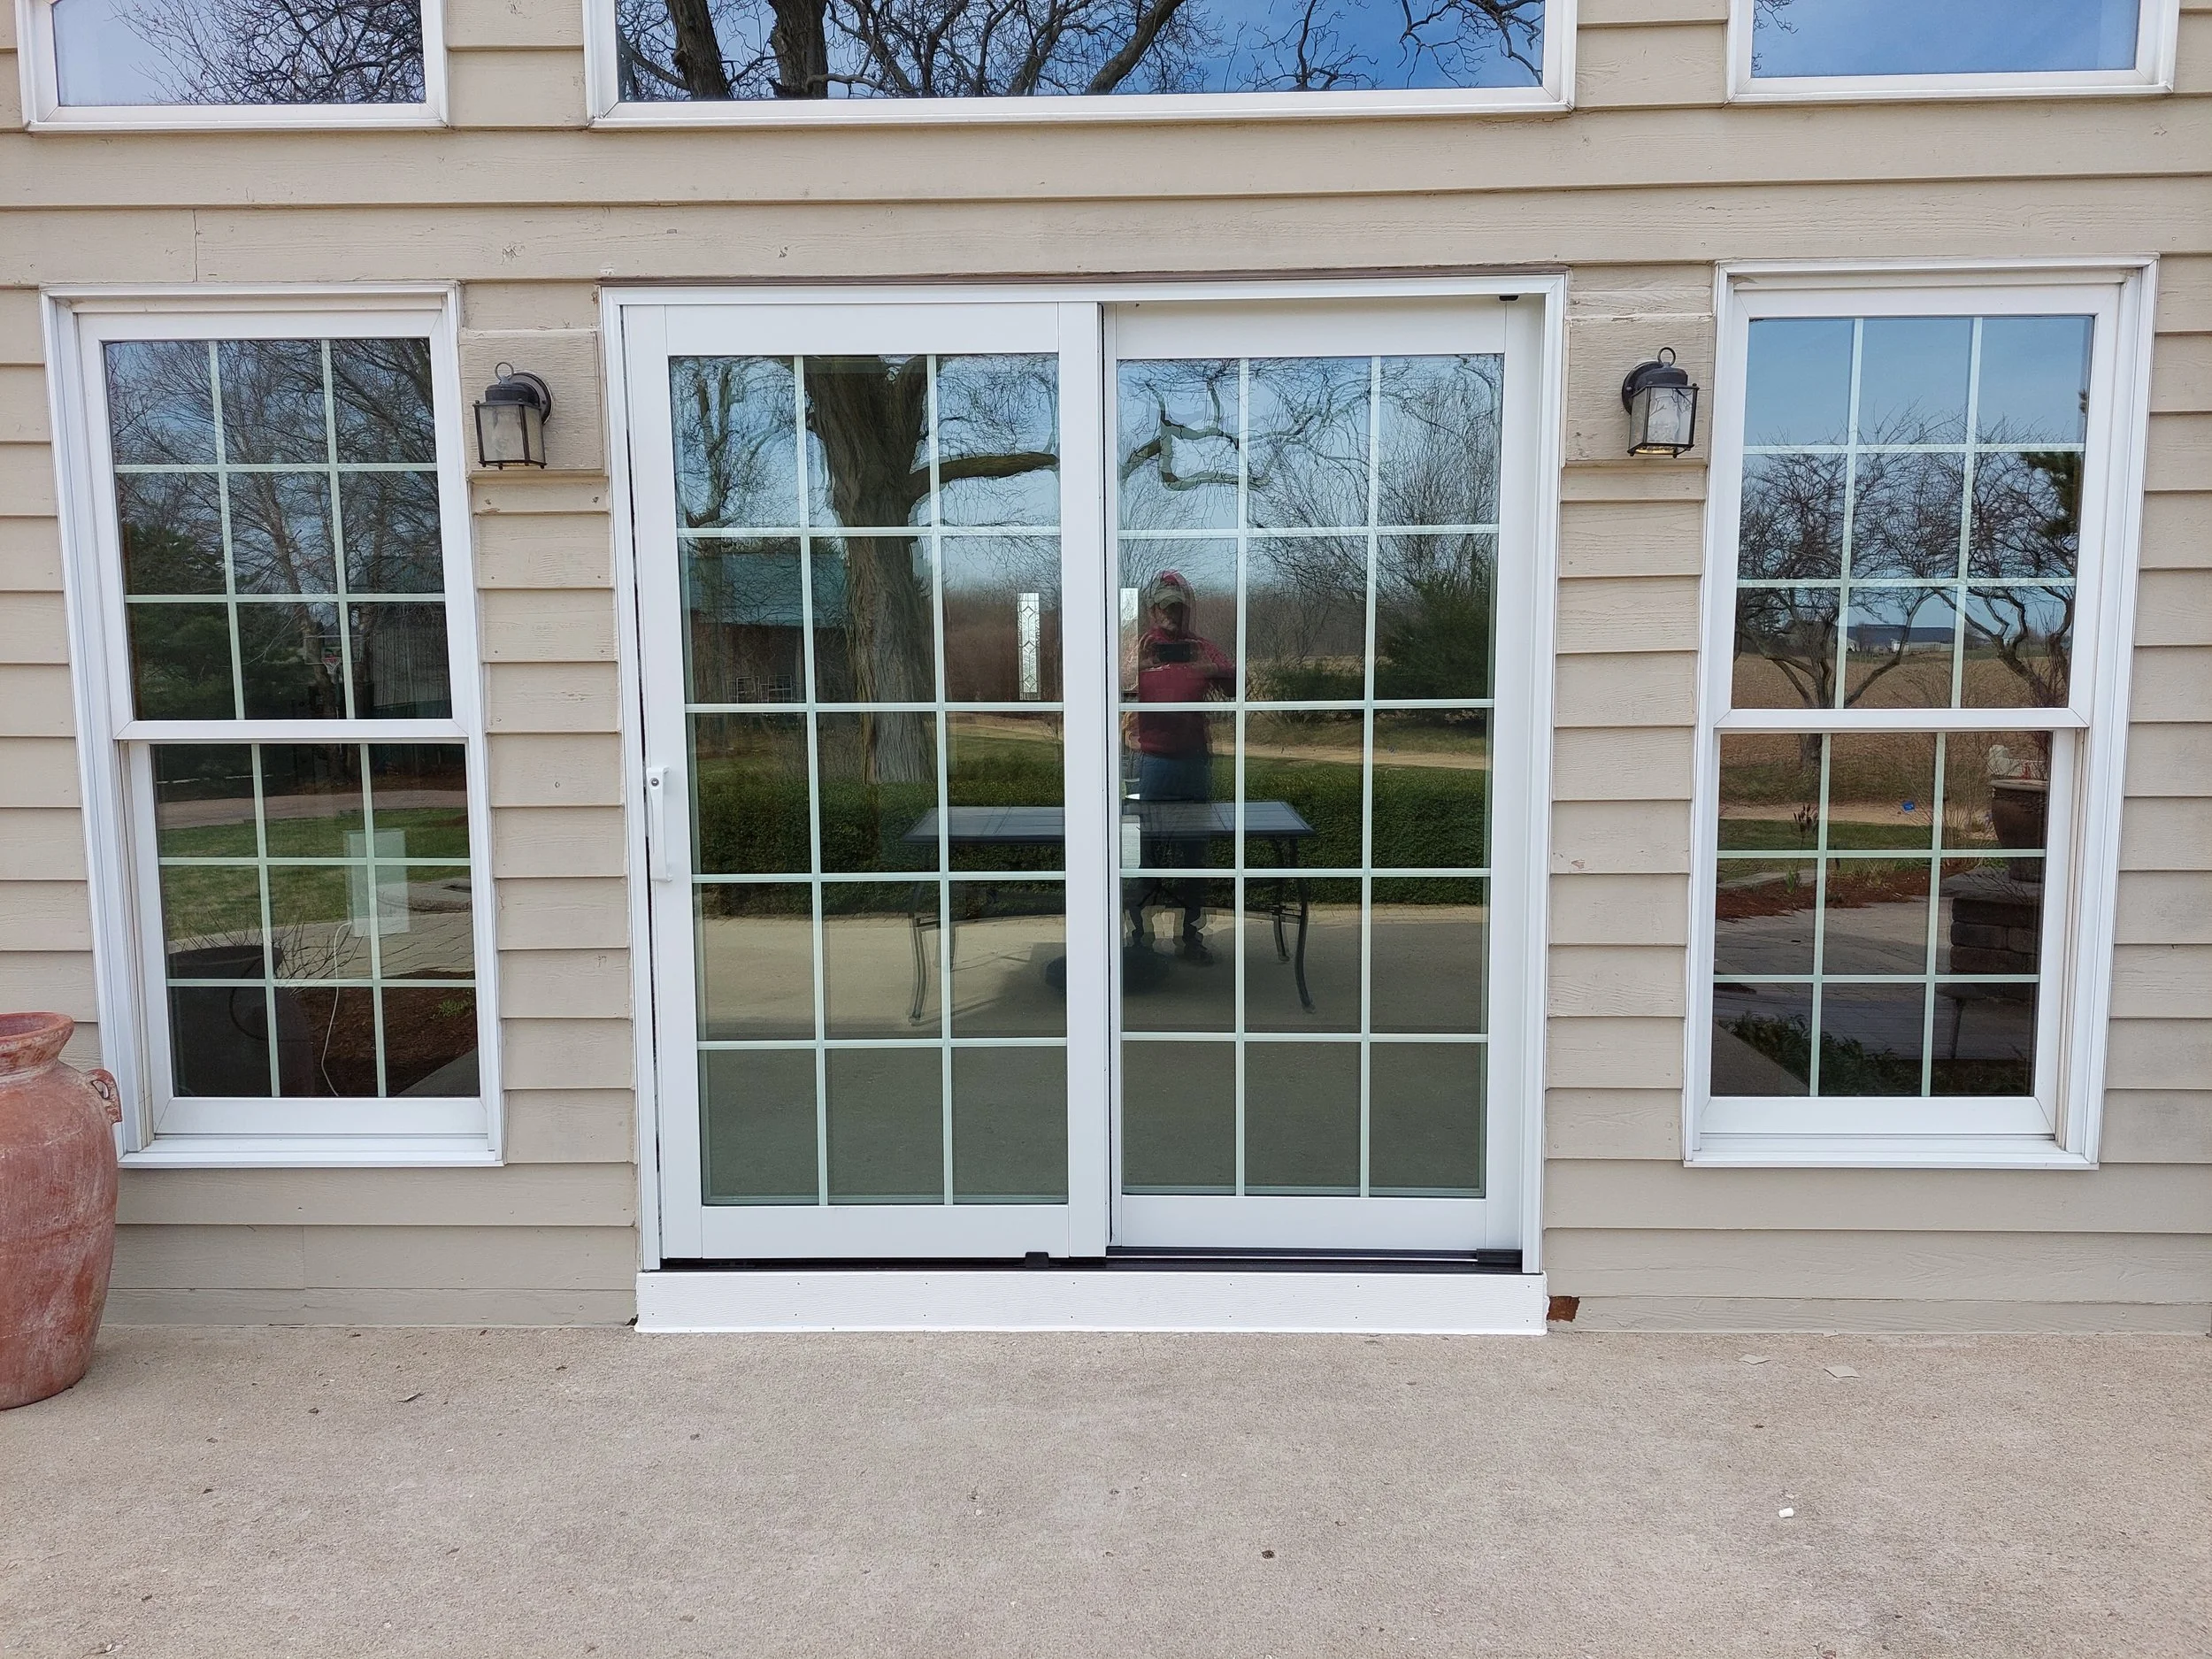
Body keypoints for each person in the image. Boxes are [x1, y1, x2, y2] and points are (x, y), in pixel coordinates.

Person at [1124, 571, 1233, 963]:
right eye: (1165, 605)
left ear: (1187, 609)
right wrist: (1139, 664)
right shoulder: (1140, 648)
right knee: (1147, 855)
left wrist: (1208, 666)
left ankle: (1191, 937)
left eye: (1178, 606)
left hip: (1194, 765)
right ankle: (1140, 938)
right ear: (1153, 608)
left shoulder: (1201, 647)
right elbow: (1111, 687)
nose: (1171, 613)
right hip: (1153, 764)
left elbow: (1236, 686)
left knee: (1193, 856)